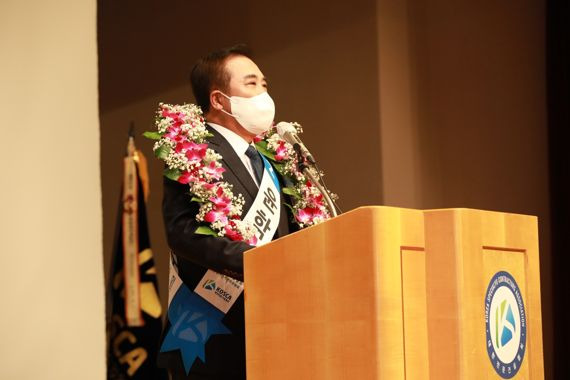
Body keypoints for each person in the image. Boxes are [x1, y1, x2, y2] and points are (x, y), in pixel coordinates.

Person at [157, 45, 296, 380]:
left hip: (274, 328)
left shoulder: (272, 160)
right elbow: (182, 233)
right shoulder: (192, 152)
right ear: (218, 100)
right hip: (214, 331)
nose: (263, 93)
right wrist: (259, 260)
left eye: (265, 84)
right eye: (251, 84)